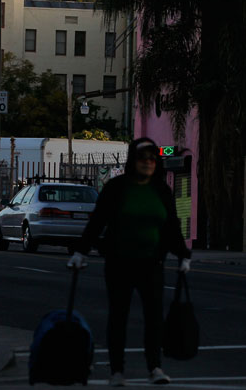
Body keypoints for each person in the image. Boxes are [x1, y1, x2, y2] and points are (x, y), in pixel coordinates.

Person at [68, 137, 191, 386]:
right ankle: (117, 371)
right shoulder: (116, 188)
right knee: (119, 316)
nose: (148, 163)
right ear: (132, 161)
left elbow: (171, 226)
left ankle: (155, 367)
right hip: (119, 262)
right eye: (142, 158)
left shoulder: (161, 190)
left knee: (154, 318)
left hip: (152, 263)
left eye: (152, 159)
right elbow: (98, 221)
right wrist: (81, 251)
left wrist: (183, 255)